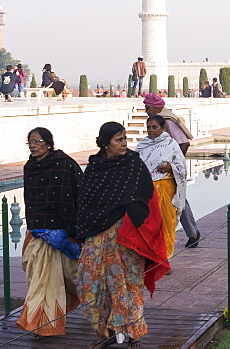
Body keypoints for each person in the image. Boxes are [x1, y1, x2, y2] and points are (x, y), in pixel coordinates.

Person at [76, 122, 169, 348]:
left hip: (126, 235)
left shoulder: (132, 164)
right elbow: (85, 201)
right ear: (106, 143)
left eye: (125, 138)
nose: (125, 143)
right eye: (119, 140)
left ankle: (134, 332)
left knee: (128, 284)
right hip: (96, 235)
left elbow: (146, 196)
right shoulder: (95, 167)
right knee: (89, 284)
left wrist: (128, 212)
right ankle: (103, 331)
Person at [16, 127, 83, 340]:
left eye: (37, 141)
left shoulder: (64, 166)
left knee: (70, 279)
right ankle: (41, 324)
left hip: (62, 234)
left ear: (48, 143)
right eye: (30, 142)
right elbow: (30, 200)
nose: (33, 146)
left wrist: (73, 233)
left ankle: (47, 321)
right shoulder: (31, 167)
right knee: (39, 279)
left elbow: (78, 196)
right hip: (38, 231)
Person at [141, 93, 202, 248]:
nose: (146, 111)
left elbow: (183, 143)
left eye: (147, 107)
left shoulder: (167, 121)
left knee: (179, 202)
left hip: (169, 174)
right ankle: (191, 234)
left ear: (155, 107)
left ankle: (191, 234)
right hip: (154, 179)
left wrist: (174, 164)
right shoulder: (156, 124)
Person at [135, 114, 187, 257]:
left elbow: (182, 166)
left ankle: (165, 257)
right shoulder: (142, 145)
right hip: (146, 191)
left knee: (165, 223)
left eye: (155, 127)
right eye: (149, 127)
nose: (151, 130)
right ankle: (151, 256)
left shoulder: (170, 144)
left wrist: (171, 167)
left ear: (163, 128)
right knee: (149, 225)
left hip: (166, 188)